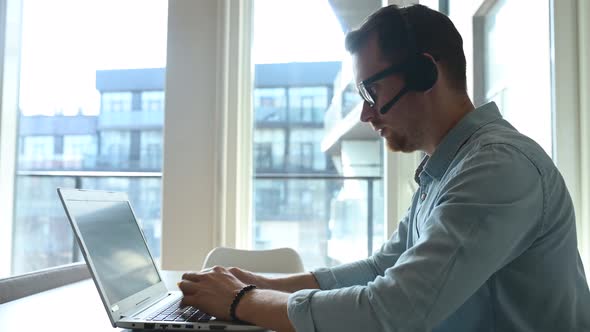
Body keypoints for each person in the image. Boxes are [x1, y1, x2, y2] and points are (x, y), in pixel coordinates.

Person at [177, 4, 590, 332]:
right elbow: (382, 268)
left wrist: (240, 301)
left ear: (424, 73)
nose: (365, 114)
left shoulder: (495, 168)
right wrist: (262, 285)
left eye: (371, 91)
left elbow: (391, 312)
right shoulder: (447, 168)